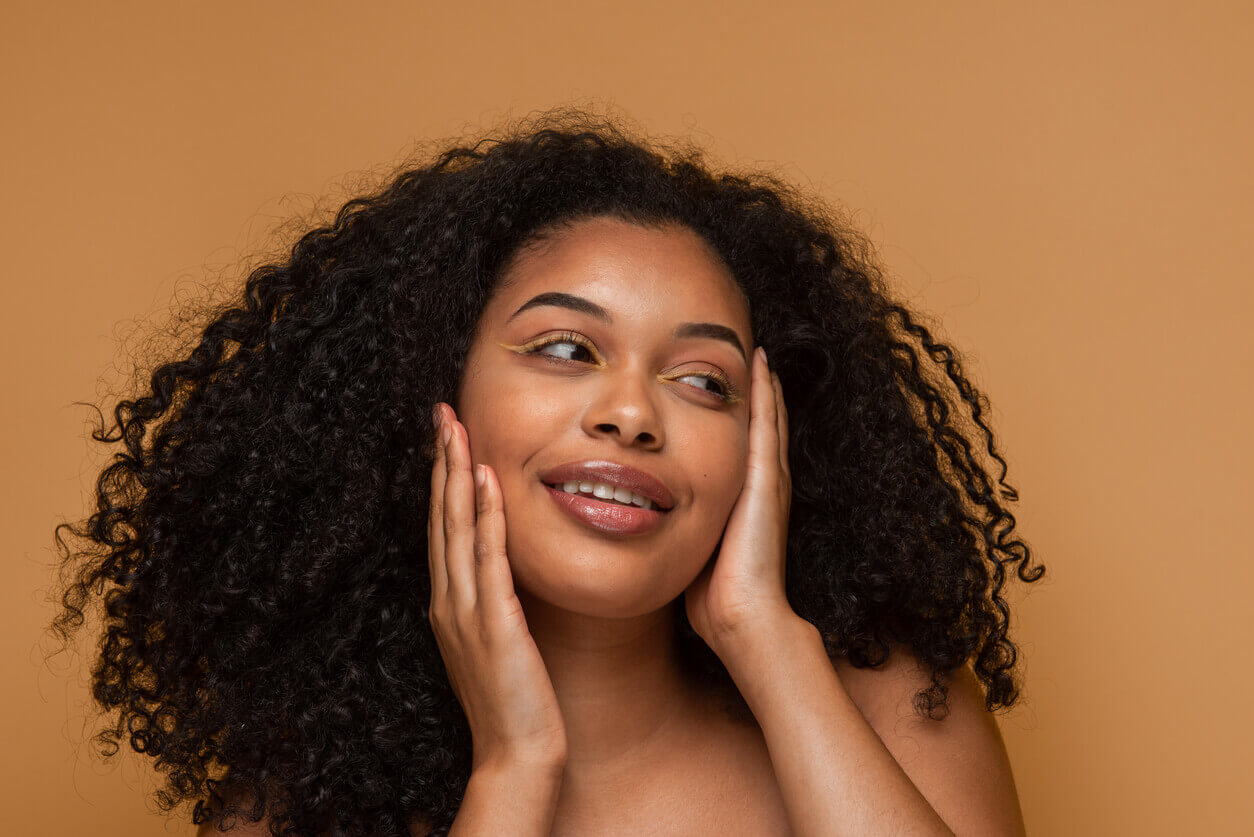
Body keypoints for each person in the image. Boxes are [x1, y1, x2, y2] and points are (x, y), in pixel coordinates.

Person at [52, 106, 1043, 836]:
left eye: (703, 381)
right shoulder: (306, 801)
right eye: (566, 349)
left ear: (767, 441)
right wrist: (513, 771)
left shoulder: (892, 709)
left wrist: (766, 643)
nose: (630, 413)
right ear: (431, 394)